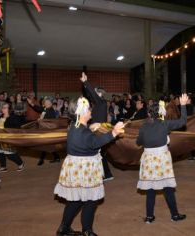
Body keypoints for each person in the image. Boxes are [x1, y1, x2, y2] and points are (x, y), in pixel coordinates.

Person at [54, 97, 124, 236]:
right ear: (82, 113)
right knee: (91, 200)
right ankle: (87, 231)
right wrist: (114, 132)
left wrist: (91, 128)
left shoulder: (75, 125)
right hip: (85, 169)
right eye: (88, 109)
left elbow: (85, 138)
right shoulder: (82, 132)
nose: (90, 110)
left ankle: (64, 228)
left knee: (77, 200)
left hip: (76, 167)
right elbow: (94, 143)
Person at [137, 95, 188, 224]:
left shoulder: (143, 126)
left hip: (148, 160)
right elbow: (182, 121)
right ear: (161, 113)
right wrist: (183, 105)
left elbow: (139, 142)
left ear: (149, 113)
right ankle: (174, 215)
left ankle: (149, 217)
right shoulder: (165, 124)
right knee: (168, 188)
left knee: (150, 189)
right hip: (162, 159)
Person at [80, 72, 114, 181]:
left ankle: (105, 175)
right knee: (100, 153)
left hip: (99, 130)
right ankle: (107, 175)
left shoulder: (101, 102)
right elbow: (90, 94)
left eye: (95, 93)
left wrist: (85, 82)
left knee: (98, 153)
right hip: (98, 130)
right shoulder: (99, 103)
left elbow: (92, 94)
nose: (93, 94)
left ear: (99, 94)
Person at [0, 103, 25, 173]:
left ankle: (21, 163)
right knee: (0, 153)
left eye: (5, 108)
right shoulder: (1, 116)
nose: (3, 109)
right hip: (0, 138)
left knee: (10, 154)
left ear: (9, 109)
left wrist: (13, 136)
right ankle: (3, 167)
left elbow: (17, 128)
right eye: (3, 107)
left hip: (8, 139)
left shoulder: (13, 117)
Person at [28, 97, 61, 164]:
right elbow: (38, 108)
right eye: (45, 102)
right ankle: (56, 157)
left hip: (49, 130)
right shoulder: (46, 109)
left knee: (45, 145)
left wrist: (41, 120)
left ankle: (42, 159)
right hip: (44, 129)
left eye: (47, 102)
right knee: (47, 145)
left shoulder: (51, 111)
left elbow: (50, 122)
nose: (45, 103)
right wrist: (31, 103)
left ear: (50, 103)